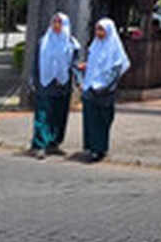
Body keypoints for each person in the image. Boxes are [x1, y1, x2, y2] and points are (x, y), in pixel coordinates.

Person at [77, 17, 131, 163]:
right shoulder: (95, 46)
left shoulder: (114, 48)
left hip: (105, 90)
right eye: (97, 29)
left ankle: (100, 148)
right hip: (90, 87)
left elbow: (119, 67)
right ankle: (91, 147)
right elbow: (95, 65)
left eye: (101, 29)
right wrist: (85, 68)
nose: (98, 32)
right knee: (90, 119)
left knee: (103, 120)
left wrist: (105, 84)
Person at [30, 12, 81, 158]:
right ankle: (39, 144)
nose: (56, 25)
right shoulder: (44, 42)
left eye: (59, 22)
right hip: (45, 83)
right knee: (43, 114)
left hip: (62, 84)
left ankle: (54, 143)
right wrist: (34, 80)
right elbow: (36, 63)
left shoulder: (72, 44)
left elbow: (74, 64)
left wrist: (79, 81)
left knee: (60, 114)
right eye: (54, 22)